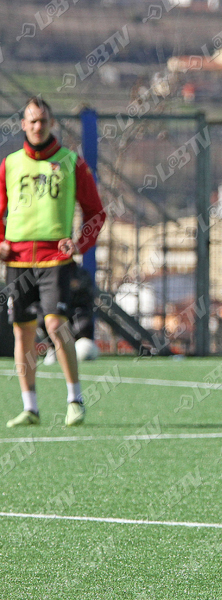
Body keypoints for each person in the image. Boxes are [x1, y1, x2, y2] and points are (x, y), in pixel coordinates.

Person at [1, 97, 106, 427]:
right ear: (23, 124)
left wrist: (79, 242)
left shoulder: (71, 162)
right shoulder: (10, 164)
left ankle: (75, 399)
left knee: (57, 325)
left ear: (52, 124)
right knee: (23, 335)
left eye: (43, 121)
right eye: (31, 121)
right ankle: (30, 407)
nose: (37, 127)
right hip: (17, 261)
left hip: (55, 260)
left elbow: (96, 212)